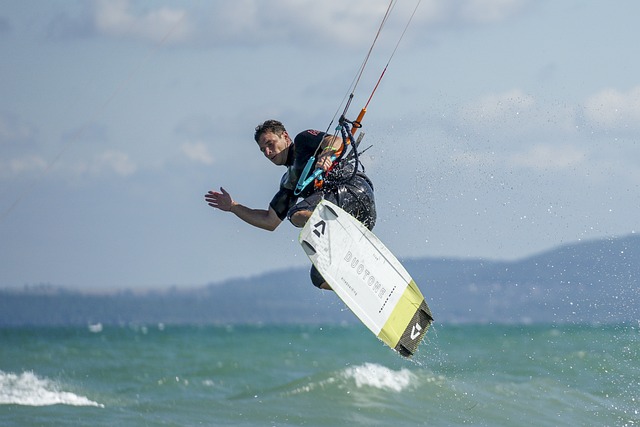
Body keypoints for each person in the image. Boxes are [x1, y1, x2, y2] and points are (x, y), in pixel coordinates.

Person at [205, 119, 376, 290]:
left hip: (353, 190)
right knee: (319, 278)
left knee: (297, 214)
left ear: (285, 136)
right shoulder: (289, 183)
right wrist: (233, 207)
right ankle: (362, 287)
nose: (267, 151)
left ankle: (346, 242)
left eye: (270, 144)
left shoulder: (303, 140)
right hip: (359, 218)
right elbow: (269, 221)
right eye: (262, 149)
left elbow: (335, 140)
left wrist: (326, 155)